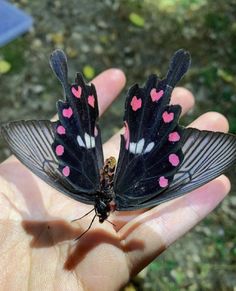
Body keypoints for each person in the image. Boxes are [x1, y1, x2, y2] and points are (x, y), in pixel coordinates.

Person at [0, 69, 230, 290]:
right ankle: (166, 84)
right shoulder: (124, 197)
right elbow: (184, 175)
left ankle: (164, 83)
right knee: (170, 178)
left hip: (98, 157)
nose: (102, 211)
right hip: (136, 157)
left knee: (167, 175)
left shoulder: (83, 189)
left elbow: (45, 163)